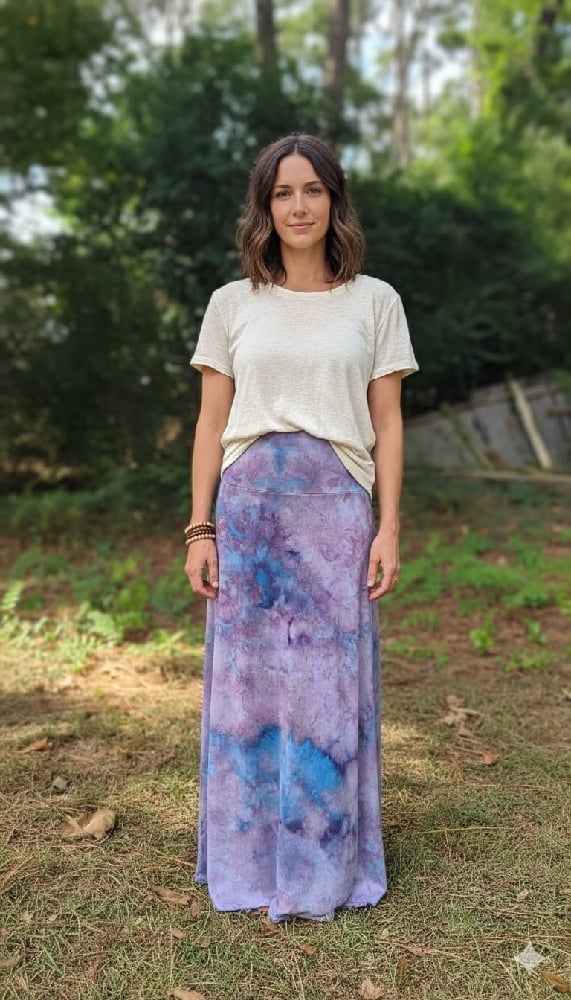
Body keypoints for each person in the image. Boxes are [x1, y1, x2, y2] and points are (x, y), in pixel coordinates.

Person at [184, 133, 418, 923]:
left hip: (336, 517)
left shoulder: (374, 302)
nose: (297, 206)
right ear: (264, 206)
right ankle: (247, 861)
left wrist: (388, 526)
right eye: (282, 192)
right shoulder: (232, 304)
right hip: (248, 515)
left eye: (311, 189)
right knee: (246, 692)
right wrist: (200, 528)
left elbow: (387, 423)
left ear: (333, 200)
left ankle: (323, 863)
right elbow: (210, 423)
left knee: (327, 690)